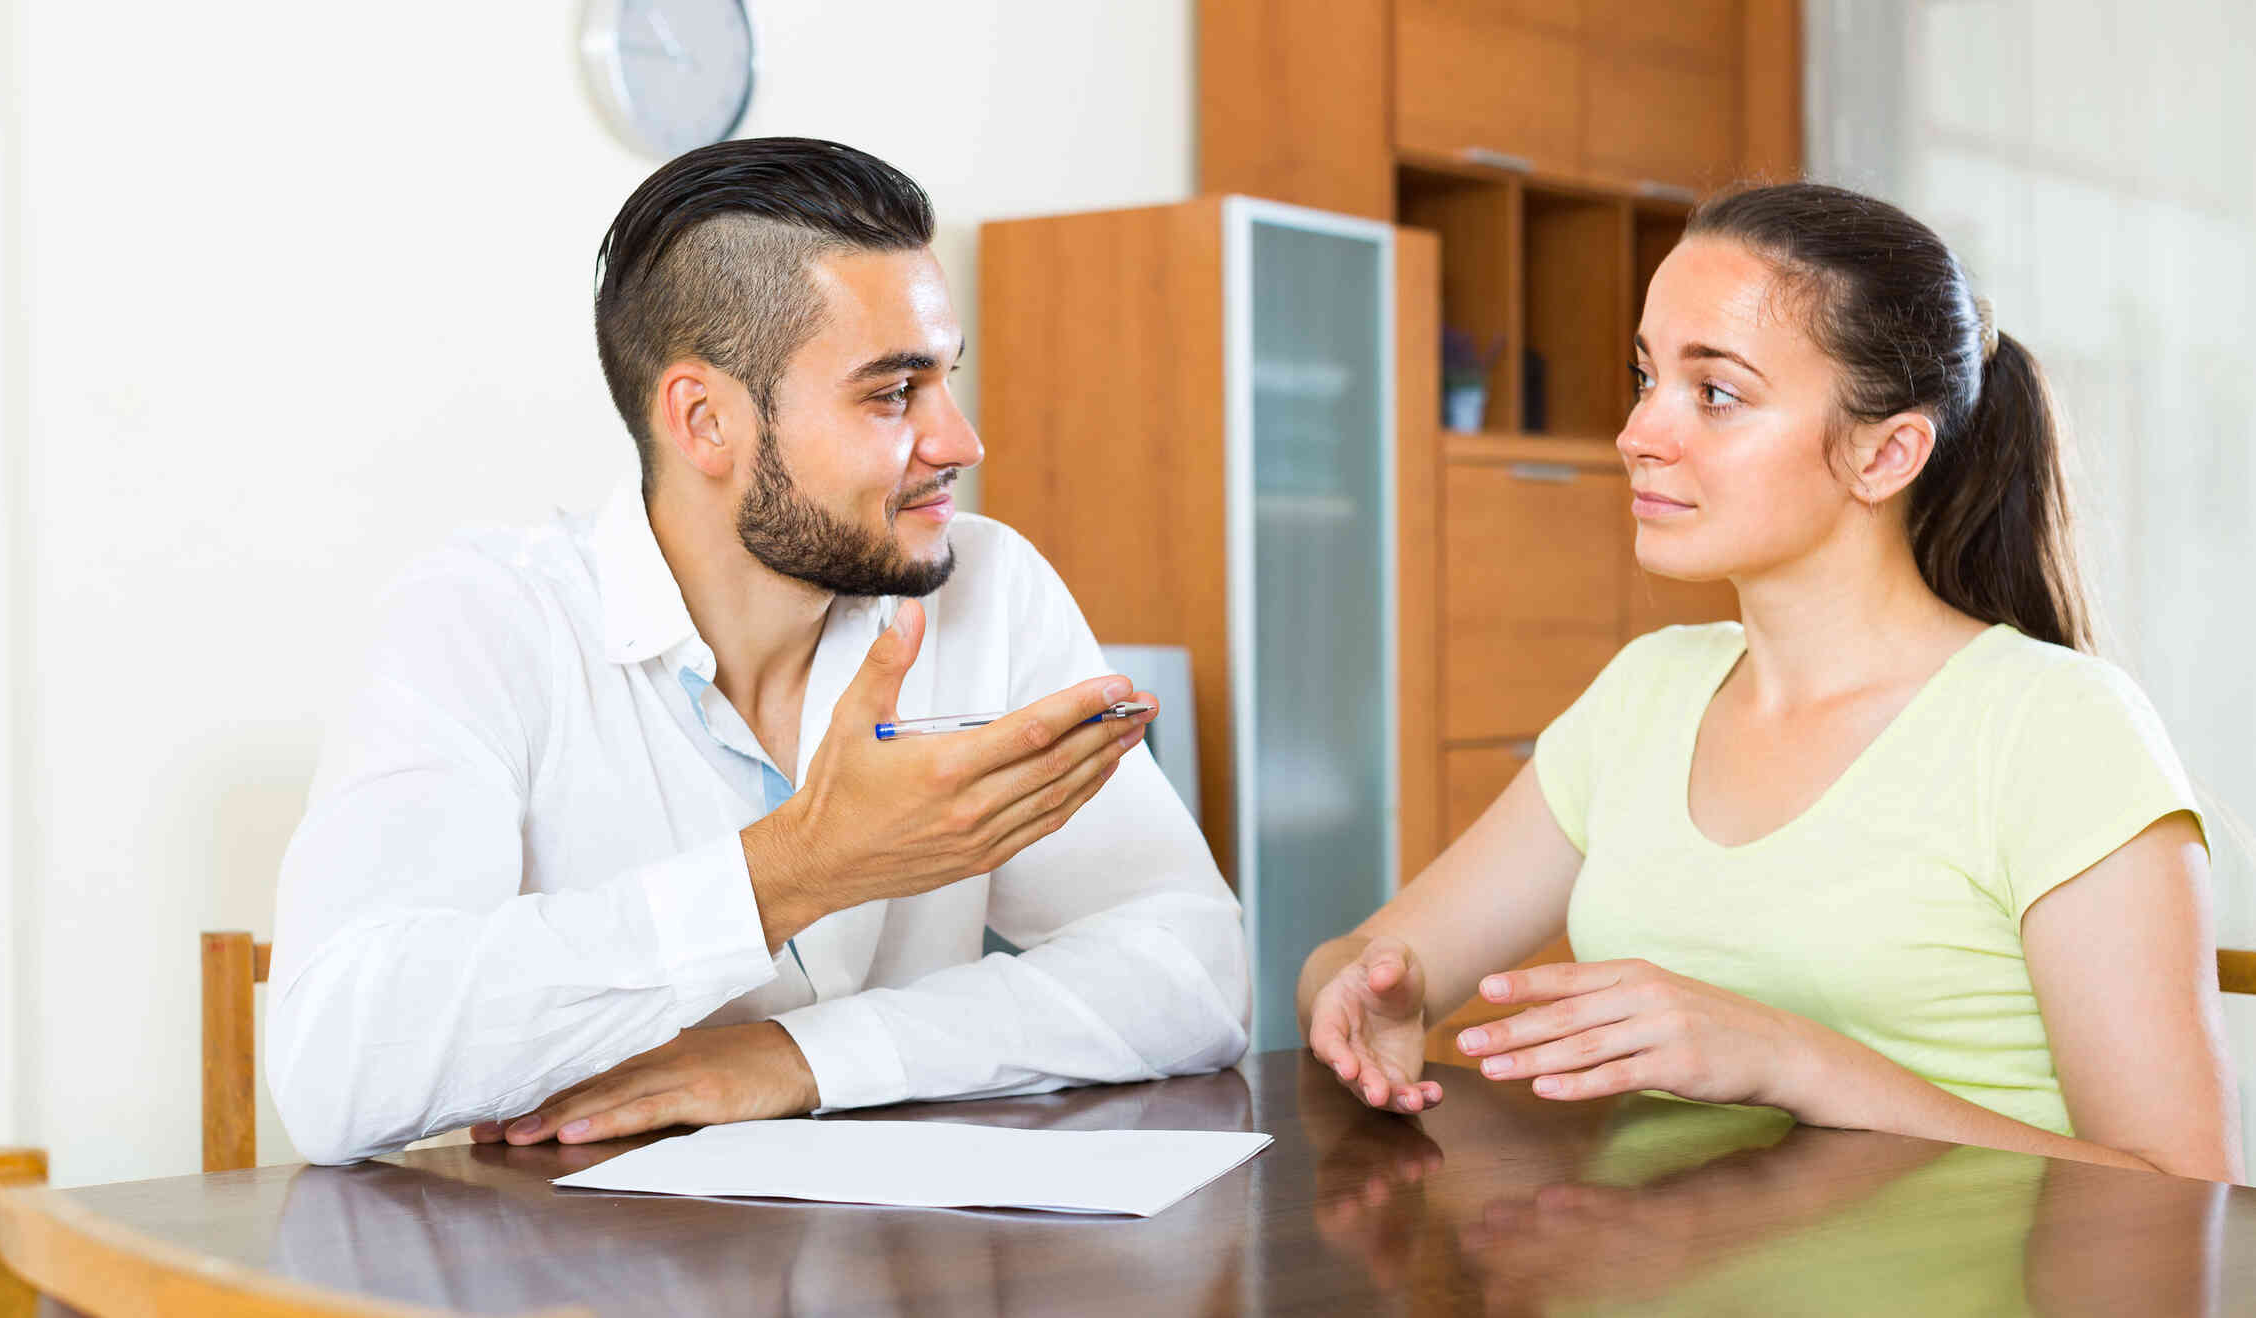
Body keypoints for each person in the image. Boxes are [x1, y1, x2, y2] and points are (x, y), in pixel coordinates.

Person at [265, 137, 1248, 1165]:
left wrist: (800, 1056)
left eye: (946, 379)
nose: (960, 441)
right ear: (705, 421)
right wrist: (795, 868)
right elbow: (336, 1073)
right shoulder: (479, 621)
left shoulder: (986, 588)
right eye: (891, 393)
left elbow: (1191, 967)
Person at [1298, 182, 2240, 1182]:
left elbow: (2187, 1200)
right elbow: (1371, 957)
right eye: (1643, 374)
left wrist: (1793, 1059)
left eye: (1715, 393)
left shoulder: (2055, 727)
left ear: (1885, 453)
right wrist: (1359, 992)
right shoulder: (1645, 695)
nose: (1637, 432)